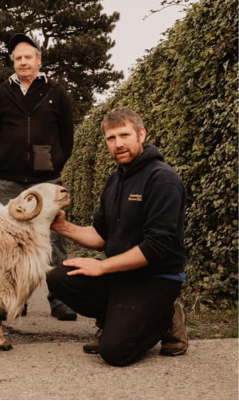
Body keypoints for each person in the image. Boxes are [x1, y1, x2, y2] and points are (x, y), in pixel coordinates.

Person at [47, 107, 189, 366]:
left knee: (115, 353)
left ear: (141, 134)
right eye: (111, 138)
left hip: (156, 278)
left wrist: (102, 266)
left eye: (124, 135)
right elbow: (100, 236)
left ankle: (166, 315)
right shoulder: (115, 181)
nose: (118, 144)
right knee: (59, 278)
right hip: (122, 276)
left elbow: (156, 247)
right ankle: (119, 319)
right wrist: (62, 227)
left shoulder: (163, 180)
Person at [0, 33, 77, 321]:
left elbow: (67, 135)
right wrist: (4, 156)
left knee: (54, 239)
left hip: (48, 180)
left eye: (28, 57)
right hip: (10, 179)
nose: (23, 62)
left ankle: (61, 298)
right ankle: (15, 299)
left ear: (39, 59)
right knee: (9, 241)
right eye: (18, 58)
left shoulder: (56, 91)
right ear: (13, 63)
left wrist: (55, 161)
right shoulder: (2, 93)